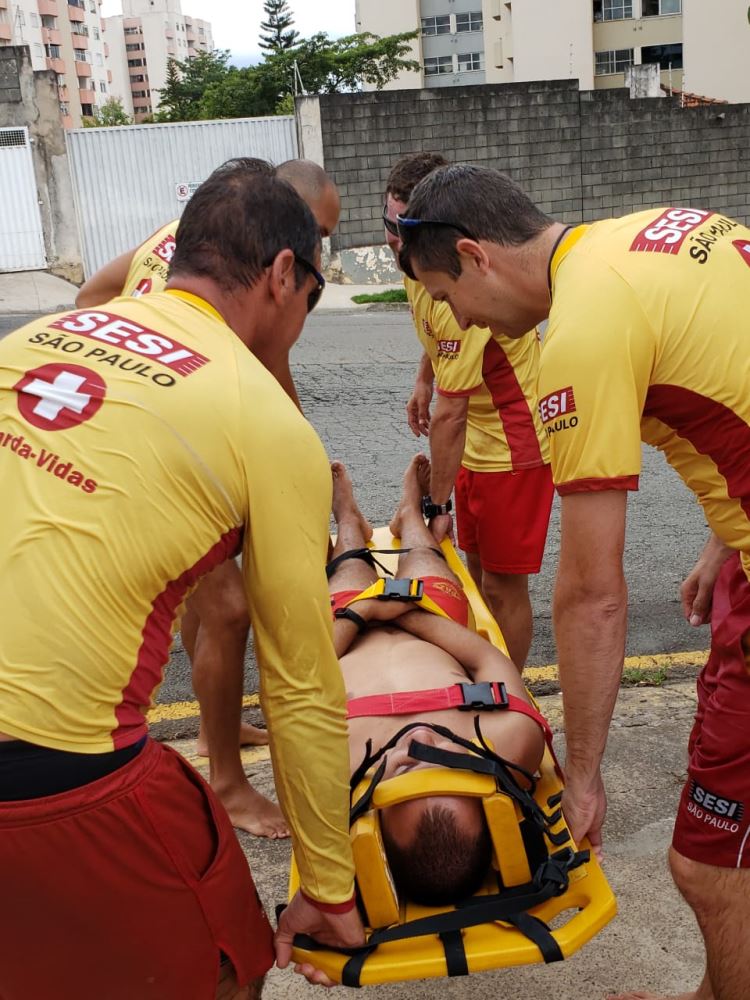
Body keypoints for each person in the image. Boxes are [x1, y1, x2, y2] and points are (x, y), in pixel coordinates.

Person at [0, 168, 363, 999]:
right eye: (310, 289)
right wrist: (329, 888)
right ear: (281, 275)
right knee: (233, 962)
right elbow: (302, 688)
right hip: (56, 775)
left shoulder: (24, 344)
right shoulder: (265, 421)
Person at [397, 162, 750, 1000]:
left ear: (478, 258)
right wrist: (722, 537)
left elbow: (593, 594)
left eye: (447, 297)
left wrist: (583, 776)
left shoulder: (578, 332)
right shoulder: (663, 230)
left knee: (708, 865)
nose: (458, 320)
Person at [75, 157, 341, 839]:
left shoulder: (179, 239)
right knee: (228, 606)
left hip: (133, 423)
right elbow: (274, 393)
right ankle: (224, 779)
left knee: (203, 598)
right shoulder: (257, 288)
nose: (322, 255)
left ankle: (213, 728)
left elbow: (89, 294)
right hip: (169, 437)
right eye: (320, 236)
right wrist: (307, 495)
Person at [293, 453, 549, 989]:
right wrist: (409, 611)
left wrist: (364, 612)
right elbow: (489, 661)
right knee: (426, 560)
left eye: (404, 779)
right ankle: (411, 517)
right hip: (432, 620)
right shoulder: (506, 743)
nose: (423, 743)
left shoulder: (336, 775)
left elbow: (304, 682)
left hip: (347, 628)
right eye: (444, 769)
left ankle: (348, 523)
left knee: (348, 566)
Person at [383, 153, 553, 668]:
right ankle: (487, 671)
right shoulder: (421, 267)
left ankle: (511, 690)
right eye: (387, 223)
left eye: (402, 227)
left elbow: (450, 417)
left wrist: (434, 507)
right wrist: (423, 377)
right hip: (477, 446)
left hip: (514, 447)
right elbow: (436, 337)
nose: (394, 238)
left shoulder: (455, 278)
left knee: (502, 588)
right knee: (474, 576)